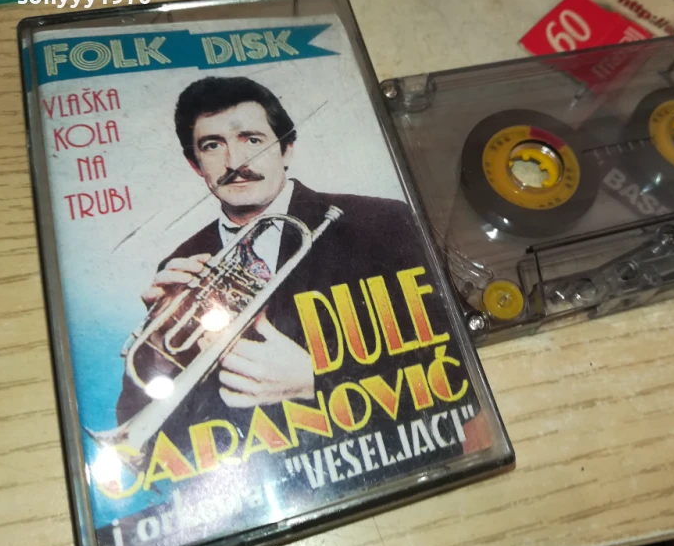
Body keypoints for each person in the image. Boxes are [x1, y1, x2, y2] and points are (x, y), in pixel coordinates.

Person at [114, 76, 479, 456]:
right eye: (212, 145)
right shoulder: (183, 261)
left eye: (252, 140)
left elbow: (457, 374)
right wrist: (158, 348)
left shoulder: (382, 223)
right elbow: (154, 437)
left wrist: (318, 379)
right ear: (195, 165)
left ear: (286, 149)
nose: (235, 163)